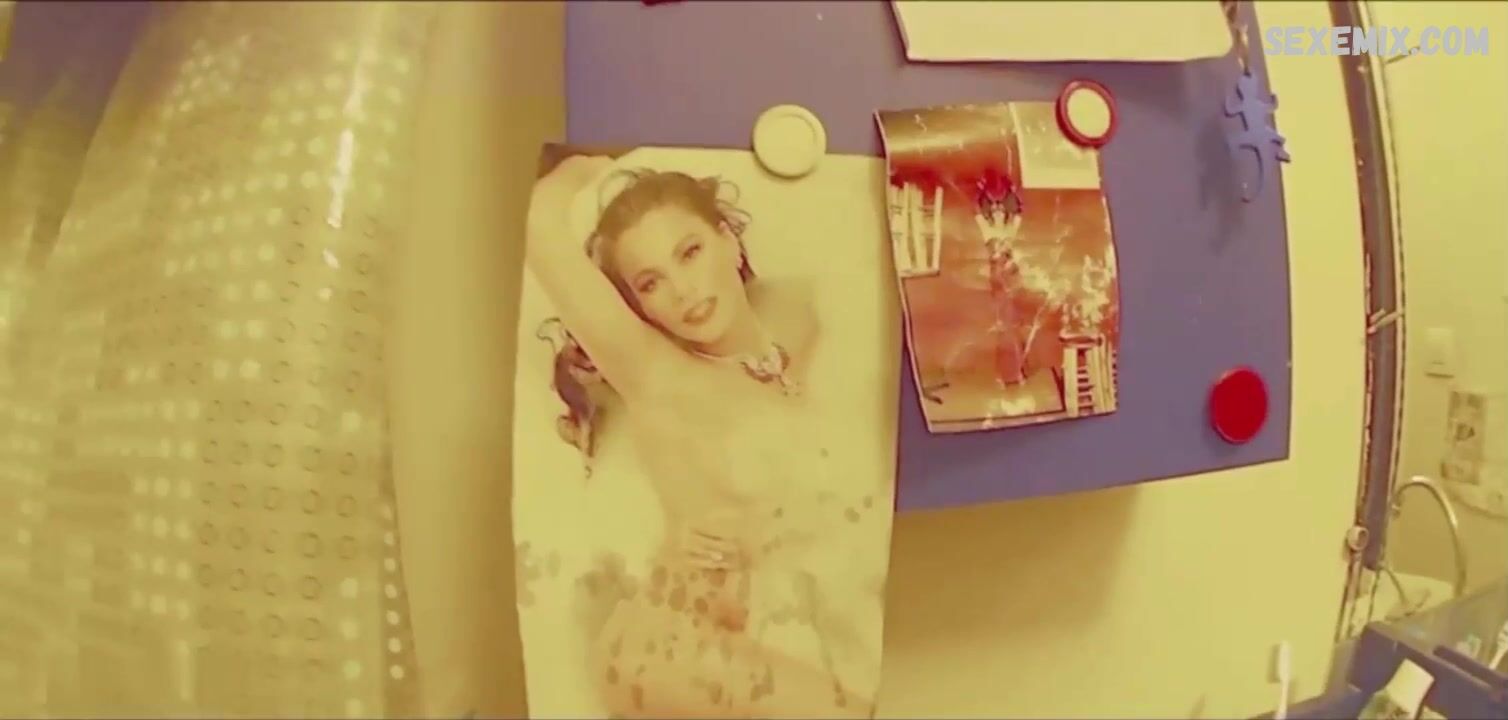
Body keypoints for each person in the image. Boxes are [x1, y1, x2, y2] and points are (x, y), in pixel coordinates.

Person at [525, 153, 872, 719]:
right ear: (639, 308)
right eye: (650, 283)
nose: (683, 290)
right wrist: (592, 164)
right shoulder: (659, 375)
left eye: (689, 253)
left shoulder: (804, 321)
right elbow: (542, 226)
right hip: (666, 651)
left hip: (754, 643)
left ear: (728, 242)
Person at [973, 170, 1028, 389]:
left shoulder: (1010, 228)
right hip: (998, 276)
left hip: (1011, 274)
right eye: (993, 208)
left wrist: (1013, 190)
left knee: (1013, 325)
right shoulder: (987, 230)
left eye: (1000, 209)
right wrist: (980, 190)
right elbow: (977, 211)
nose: (997, 212)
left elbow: (1019, 213)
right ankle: (1004, 374)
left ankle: (1016, 372)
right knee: (1003, 326)